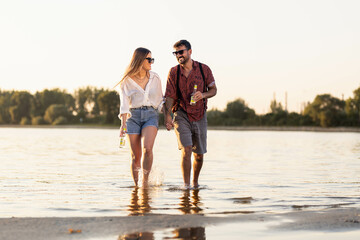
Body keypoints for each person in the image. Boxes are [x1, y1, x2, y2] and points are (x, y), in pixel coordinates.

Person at [164, 40, 217, 188]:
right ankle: (186, 186)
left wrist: (203, 95)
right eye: (176, 53)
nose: (178, 55)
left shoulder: (203, 69)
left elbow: (214, 90)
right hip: (181, 114)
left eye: (181, 52)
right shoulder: (173, 72)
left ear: (190, 51)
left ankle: (195, 182)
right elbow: (169, 96)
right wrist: (167, 115)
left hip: (200, 115)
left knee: (199, 155)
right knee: (186, 149)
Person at [117, 47, 163, 187]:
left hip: (151, 115)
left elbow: (160, 101)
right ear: (139, 60)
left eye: (152, 59)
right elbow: (124, 105)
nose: (151, 62)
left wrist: (168, 117)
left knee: (147, 148)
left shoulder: (155, 78)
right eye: (149, 59)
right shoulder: (126, 80)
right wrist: (123, 124)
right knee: (135, 156)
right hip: (133, 117)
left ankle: (145, 183)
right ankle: (137, 187)